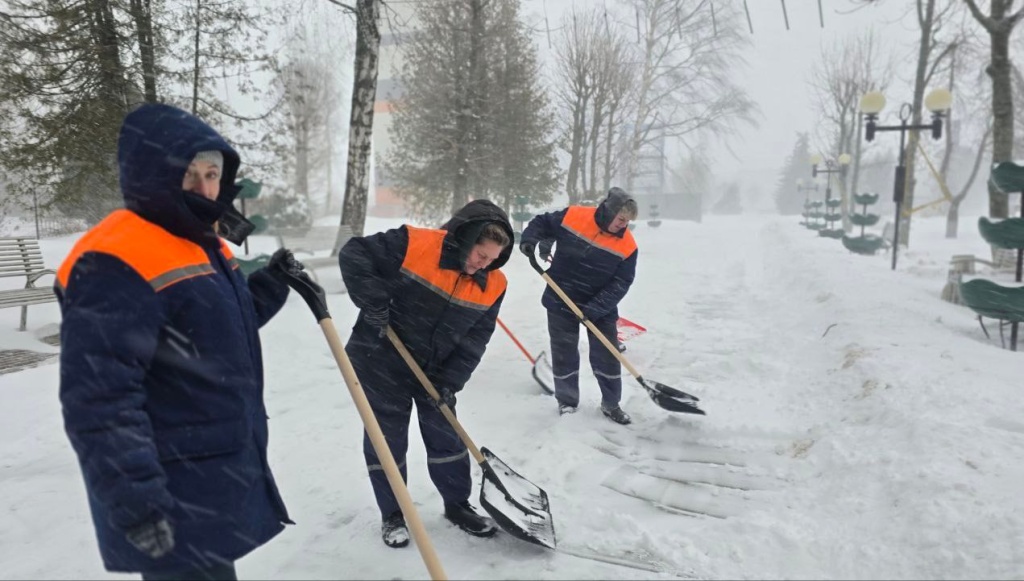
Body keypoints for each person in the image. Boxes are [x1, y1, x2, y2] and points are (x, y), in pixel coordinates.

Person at [56, 102, 306, 581]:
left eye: (213, 173)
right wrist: (137, 502)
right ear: (153, 173)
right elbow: (100, 397)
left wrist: (271, 283)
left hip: (204, 475)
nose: (206, 188)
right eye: (189, 174)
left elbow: (214, 331)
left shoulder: (197, 241)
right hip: (169, 485)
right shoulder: (115, 259)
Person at [338, 199, 514, 548]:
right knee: (387, 439)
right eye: (481, 254)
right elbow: (355, 253)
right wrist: (373, 299)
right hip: (381, 357)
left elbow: (475, 340)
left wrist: (450, 382)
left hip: (436, 370)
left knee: (446, 435)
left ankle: (457, 505)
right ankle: (393, 514)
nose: (484, 264)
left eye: (493, 260)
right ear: (466, 238)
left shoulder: (493, 283)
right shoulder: (414, 244)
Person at [519, 187, 639, 425]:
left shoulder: (628, 245)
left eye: (628, 222)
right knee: (564, 353)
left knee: (607, 355)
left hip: (600, 307)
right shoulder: (574, 216)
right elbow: (543, 223)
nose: (623, 225)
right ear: (610, 210)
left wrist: (594, 309)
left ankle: (611, 404)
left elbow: (622, 282)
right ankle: (567, 401)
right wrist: (530, 241)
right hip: (561, 297)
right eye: (621, 219)